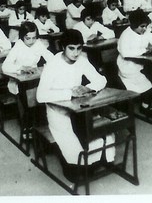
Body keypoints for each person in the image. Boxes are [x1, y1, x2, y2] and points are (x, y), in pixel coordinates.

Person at [36, 29, 115, 180]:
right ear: (62, 47)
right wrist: (69, 93)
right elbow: (40, 95)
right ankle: (76, 164)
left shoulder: (82, 60)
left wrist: (88, 87)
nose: (76, 53)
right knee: (75, 164)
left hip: (78, 109)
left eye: (79, 48)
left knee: (99, 133)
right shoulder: (53, 65)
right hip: (58, 112)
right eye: (71, 48)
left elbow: (101, 79)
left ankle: (97, 160)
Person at [117, 10, 152, 109]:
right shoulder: (126, 35)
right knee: (148, 81)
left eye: (146, 26)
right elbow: (125, 53)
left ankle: (149, 103)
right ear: (134, 25)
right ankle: (146, 105)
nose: (144, 29)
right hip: (128, 66)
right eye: (142, 26)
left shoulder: (146, 32)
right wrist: (145, 50)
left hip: (142, 63)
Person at [3, 22, 54, 94]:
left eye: (34, 38)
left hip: (34, 77)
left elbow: (50, 57)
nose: (31, 41)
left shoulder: (38, 43)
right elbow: (5, 66)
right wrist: (22, 68)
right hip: (19, 81)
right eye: (28, 38)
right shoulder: (18, 46)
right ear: (22, 36)